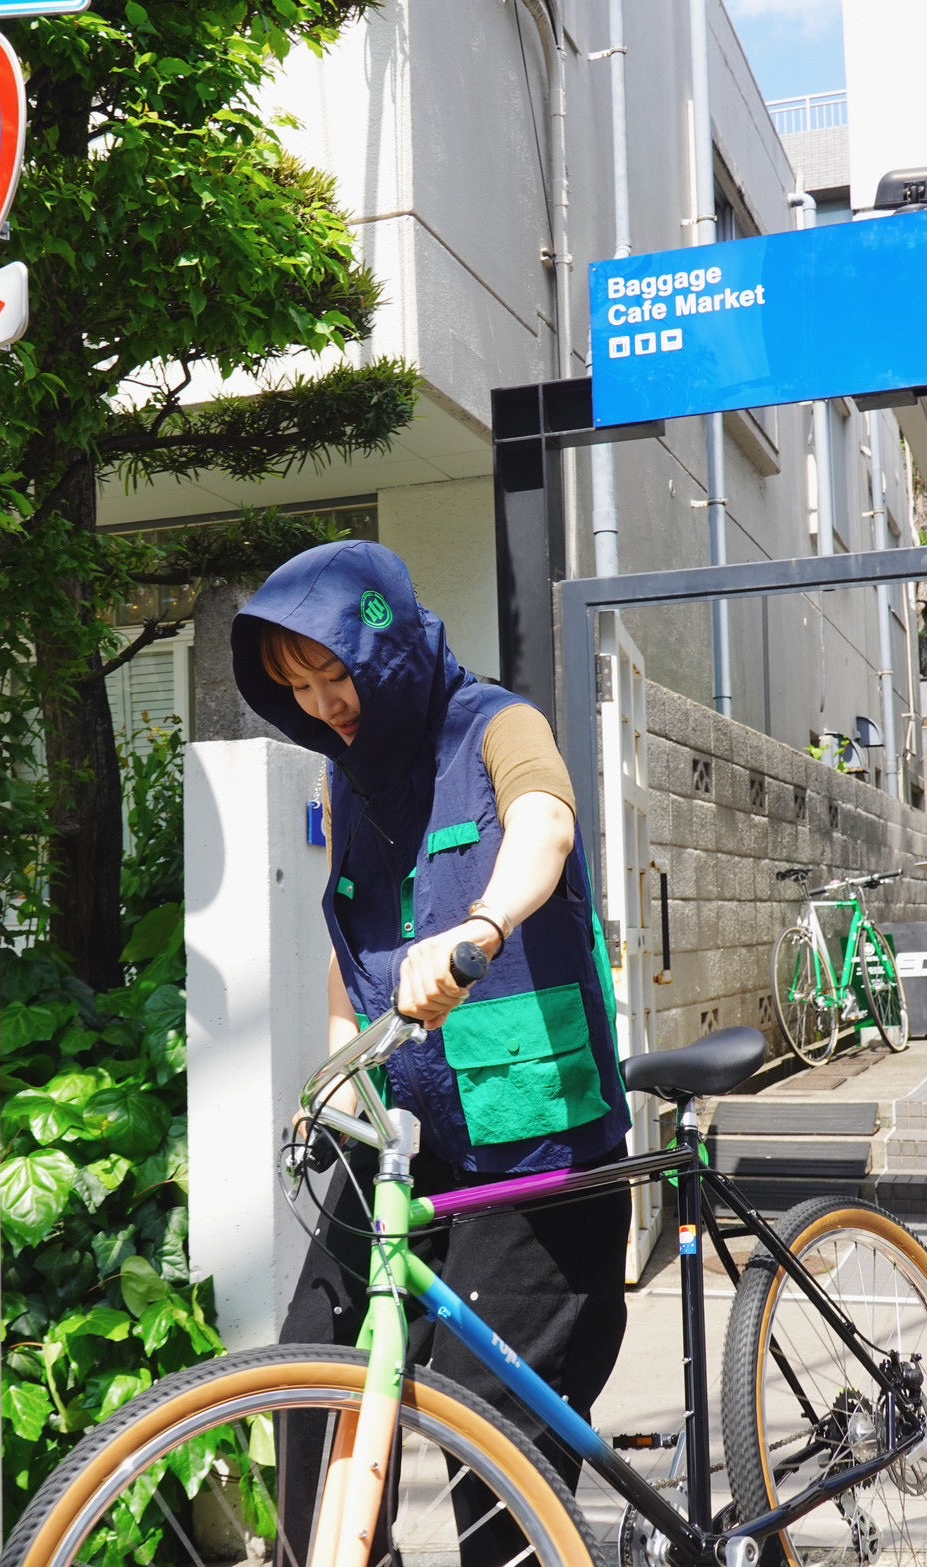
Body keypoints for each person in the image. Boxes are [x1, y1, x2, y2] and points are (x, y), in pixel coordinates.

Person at [232, 539, 632, 1562]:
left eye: (334, 673)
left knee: (483, 1421)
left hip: (532, 1145)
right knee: (313, 1360)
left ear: (389, 649)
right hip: (406, 1140)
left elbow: (542, 826)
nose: (322, 702)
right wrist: (335, 1074)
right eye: (298, 687)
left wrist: (482, 928)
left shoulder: (499, 724)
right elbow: (351, 944)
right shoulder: (347, 780)